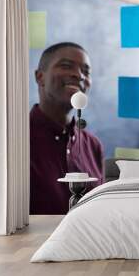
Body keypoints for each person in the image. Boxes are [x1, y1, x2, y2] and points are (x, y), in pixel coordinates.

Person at [30, 42, 104, 215]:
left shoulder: (93, 145)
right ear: (40, 77)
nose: (79, 75)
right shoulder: (14, 139)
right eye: (66, 66)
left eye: (86, 71)